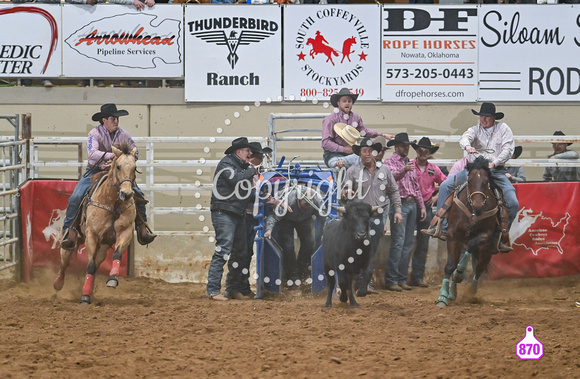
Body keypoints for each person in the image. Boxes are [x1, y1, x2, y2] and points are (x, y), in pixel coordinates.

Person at [422, 102, 518, 253]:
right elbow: (465, 138)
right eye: (481, 116)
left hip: (495, 171)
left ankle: (500, 236)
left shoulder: (503, 129)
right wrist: (467, 146)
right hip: (474, 170)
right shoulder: (474, 130)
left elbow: (508, 149)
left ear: (493, 118)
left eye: (486, 117)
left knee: (512, 202)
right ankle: (443, 227)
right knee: (446, 186)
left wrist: (495, 163)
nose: (483, 119)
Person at [60, 104, 156, 250]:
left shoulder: (124, 134)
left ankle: (142, 227)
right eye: (113, 118)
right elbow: (92, 154)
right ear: (104, 120)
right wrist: (112, 156)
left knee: (138, 195)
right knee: (76, 197)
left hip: (119, 173)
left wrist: (120, 161)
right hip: (95, 171)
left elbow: (134, 153)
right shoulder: (94, 133)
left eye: (117, 118)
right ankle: (69, 231)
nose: (116, 121)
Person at [342, 137, 402, 296]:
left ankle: (365, 283)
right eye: (364, 151)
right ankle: (359, 282)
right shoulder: (352, 171)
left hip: (376, 217)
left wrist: (397, 211)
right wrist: (347, 192)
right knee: (357, 250)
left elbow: (394, 191)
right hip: (359, 219)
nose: (368, 154)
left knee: (371, 250)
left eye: (370, 151)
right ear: (360, 154)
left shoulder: (385, 170)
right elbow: (344, 190)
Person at [207, 137, 258, 301]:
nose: (250, 154)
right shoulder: (227, 164)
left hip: (234, 212)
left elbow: (245, 191)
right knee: (224, 250)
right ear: (239, 151)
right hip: (226, 212)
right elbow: (235, 179)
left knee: (240, 252)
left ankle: (231, 289)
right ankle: (214, 290)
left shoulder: (236, 166)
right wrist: (253, 170)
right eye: (247, 150)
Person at [384, 133, 426, 292]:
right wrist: (403, 170)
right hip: (399, 204)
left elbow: (416, 187)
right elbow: (391, 179)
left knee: (407, 243)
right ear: (396, 147)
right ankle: (392, 279)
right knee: (398, 242)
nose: (406, 148)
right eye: (403, 145)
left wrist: (421, 206)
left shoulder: (409, 163)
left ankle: (401, 279)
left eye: (407, 145)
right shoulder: (389, 162)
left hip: (411, 204)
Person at [263, 185, 326, 286]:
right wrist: (269, 230)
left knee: (309, 243)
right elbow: (274, 216)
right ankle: (292, 275)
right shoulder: (288, 200)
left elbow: (325, 218)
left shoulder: (318, 201)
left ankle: (302, 271)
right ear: (298, 201)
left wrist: (325, 232)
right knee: (288, 246)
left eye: (310, 207)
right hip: (286, 219)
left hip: (305, 220)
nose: (307, 208)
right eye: (305, 206)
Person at [321, 88, 393, 168]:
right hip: (333, 155)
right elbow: (325, 143)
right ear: (338, 103)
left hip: (351, 154)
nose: (347, 103)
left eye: (349, 101)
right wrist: (343, 149)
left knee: (366, 158)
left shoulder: (356, 117)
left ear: (352, 103)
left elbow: (364, 131)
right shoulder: (330, 119)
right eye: (344, 101)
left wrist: (382, 134)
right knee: (339, 162)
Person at [410, 137, 446, 288]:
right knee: (406, 242)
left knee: (423, 243)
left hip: (425, 205)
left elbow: (445, 182)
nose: (423, 152)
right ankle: (400, 277)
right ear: (417, 151)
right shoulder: (410, 166)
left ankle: (417, 277)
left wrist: (437, 196)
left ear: (429, 153)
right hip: (412, 205)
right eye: (420, 150)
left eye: (426, 150)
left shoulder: (434, 169)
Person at [240, 142, 274, 300]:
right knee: (243, 252)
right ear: (251, 157)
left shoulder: (256, 173)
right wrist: (267, 198)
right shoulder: (246, 173)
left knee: (247, 251)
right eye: (258, 157)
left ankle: (243, 287)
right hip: (245, 216)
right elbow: (247, 194)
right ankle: (240, 287)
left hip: (251, 215)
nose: (261, 160)